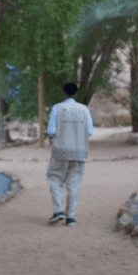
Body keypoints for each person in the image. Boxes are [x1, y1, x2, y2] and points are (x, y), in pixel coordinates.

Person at [45, 82, 94, 226]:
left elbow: (51, 131)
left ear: (64, 93)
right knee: (73, 185)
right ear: (76, 93)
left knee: (55, 179)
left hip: (60, 151)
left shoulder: (57, 108)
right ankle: (70, 217)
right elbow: (90, 131)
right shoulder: (84, 109)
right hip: (80, 152)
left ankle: (58, 210)